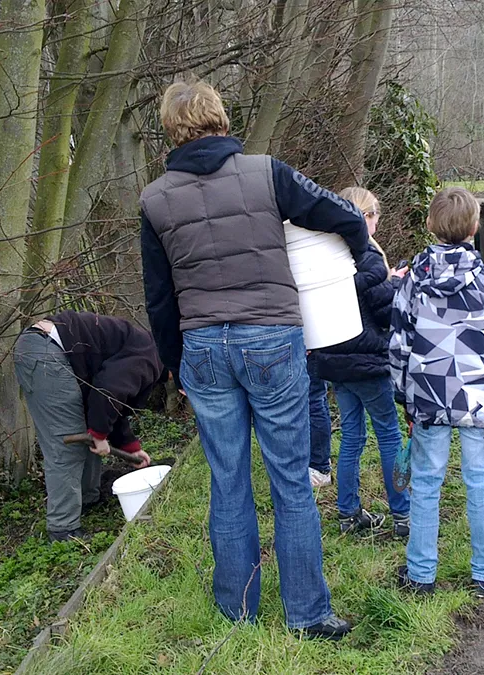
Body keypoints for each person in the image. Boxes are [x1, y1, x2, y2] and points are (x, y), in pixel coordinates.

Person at [140, 81, 378, 639]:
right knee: (290, 480)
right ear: (222, 119)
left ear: (170, 129)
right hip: (270, 339)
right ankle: (308, 614)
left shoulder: (154, 199)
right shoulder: (266, 173)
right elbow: (346, 216)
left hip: (203, 348)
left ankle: (237, 613)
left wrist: (178, 365)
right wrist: (356, 261)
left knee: (228, 482)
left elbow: (159, 299)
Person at [390, 186, 484, 599]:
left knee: (426, 485)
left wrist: (404, 397)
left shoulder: (412, 282)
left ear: (430, 224)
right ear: (475, 227)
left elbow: (398, 346)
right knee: (480, 484)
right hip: (477, 400)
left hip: (428, 399)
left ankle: (420, 575)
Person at [309, 187, 410, 538]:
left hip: (333, 360)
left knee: (352, 436)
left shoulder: (321, 255)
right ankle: (403, 513)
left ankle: (348, 513)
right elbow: (384, 314)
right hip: (368, 361)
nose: (377, 222)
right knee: (389, 435)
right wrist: (395, 285)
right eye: (375, 215)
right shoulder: (369, 258)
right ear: (365, 217)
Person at [14, 311, 158, 542]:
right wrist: (100, 434)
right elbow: (110, 391)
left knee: (88, 431)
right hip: (45, 352)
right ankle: (63, 529)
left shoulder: (147, 349)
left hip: (51, 351)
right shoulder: (149, 356)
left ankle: (88, 499)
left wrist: (130, 447)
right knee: (67, 445)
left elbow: (113, 401)